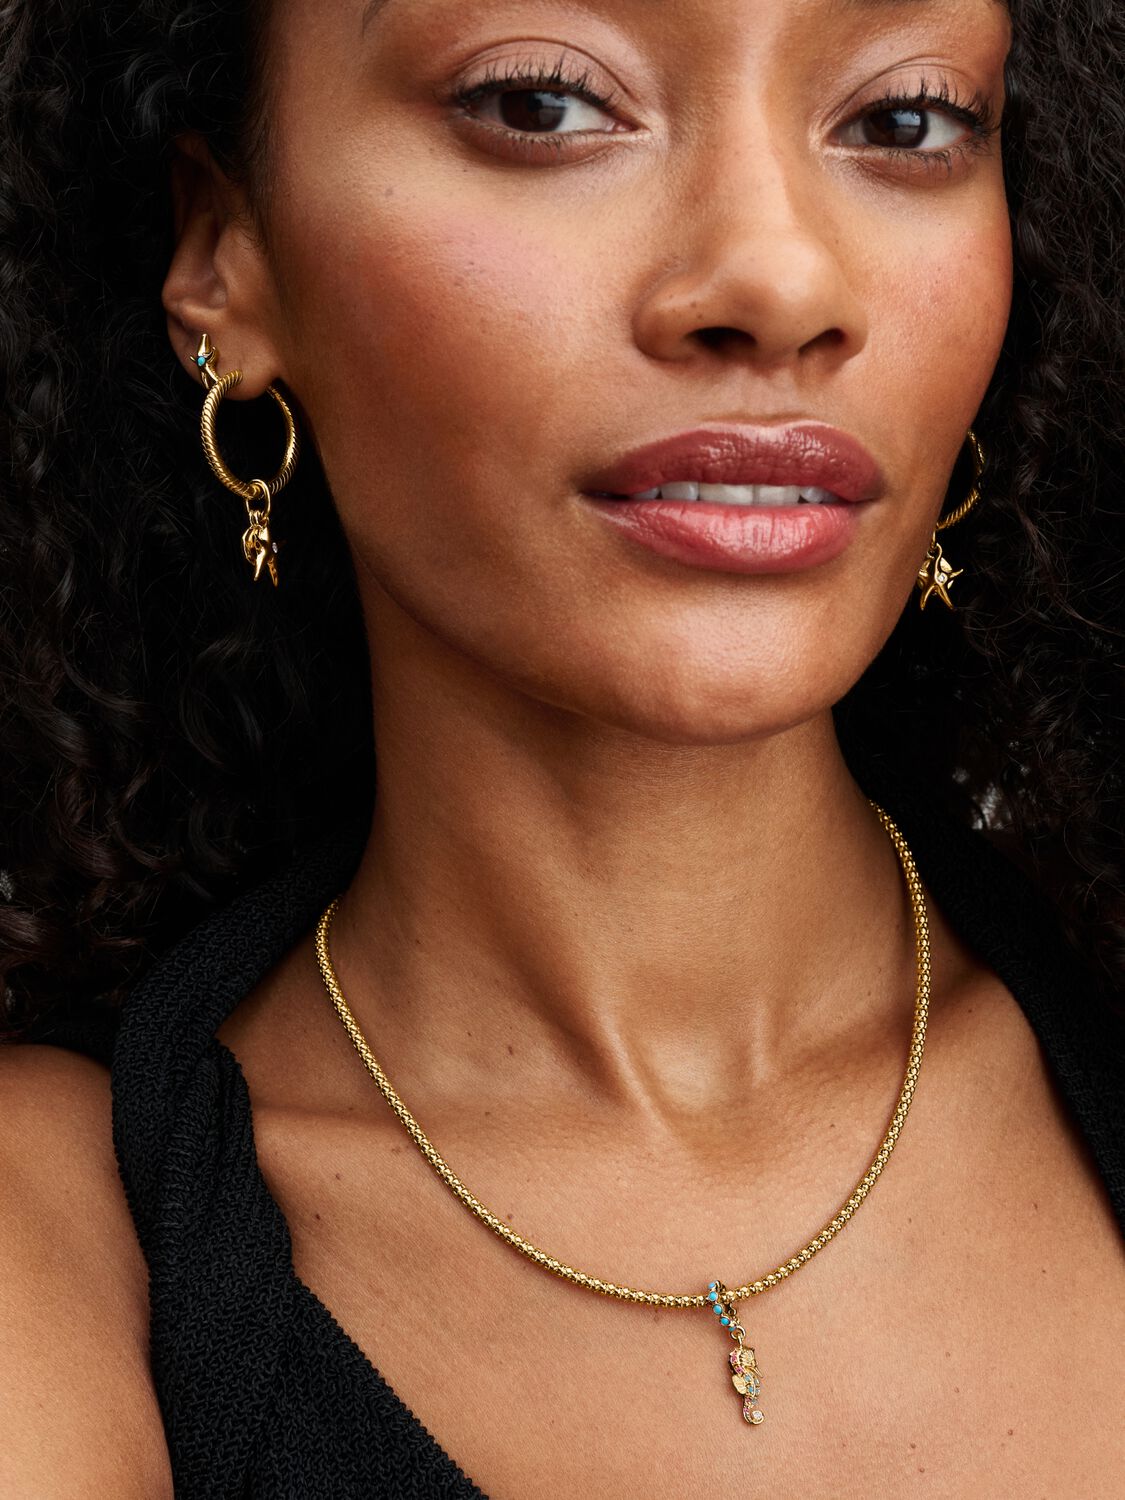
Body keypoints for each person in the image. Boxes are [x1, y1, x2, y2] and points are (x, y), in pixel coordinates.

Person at [1, 0, 1122, 1494]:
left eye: (902, 119)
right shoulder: (64, 1249)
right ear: (227, 251)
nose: (778, 281)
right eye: (542, 102)